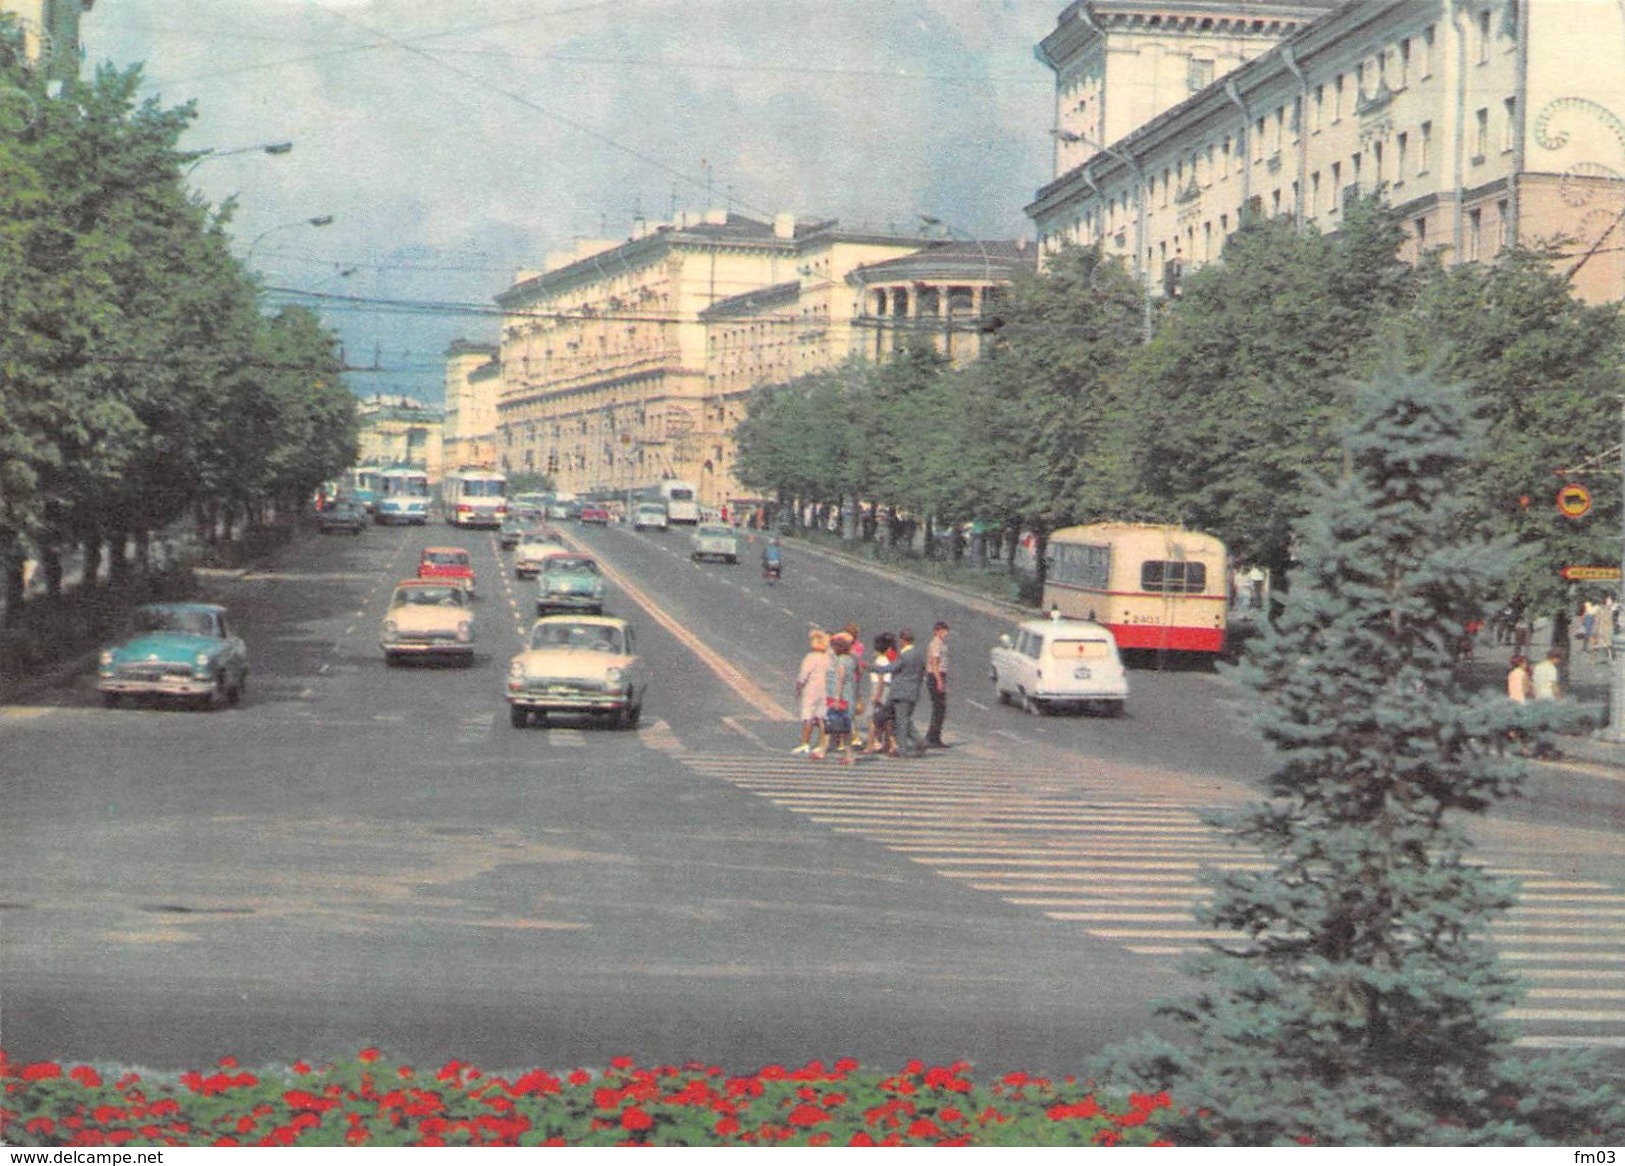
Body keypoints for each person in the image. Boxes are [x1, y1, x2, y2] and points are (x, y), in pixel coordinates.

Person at [870, 627, 927, 757]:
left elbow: (892, 668)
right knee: (904, 719)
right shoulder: (919, 654)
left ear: (902, 640)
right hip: (912, 692)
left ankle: (902, 748)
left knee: (900, 720)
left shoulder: (905, 655)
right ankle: (919, 741)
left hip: (900, 693)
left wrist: (872, 668)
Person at [824, 632, 861, 766]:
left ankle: (850, 757)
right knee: (847, 729)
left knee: (842, 727)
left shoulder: (840, 661)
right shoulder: (852, 660)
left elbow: (840, 680)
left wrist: (837, 699)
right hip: (850, 695)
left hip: (843, 698)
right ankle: (849, 756)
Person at [793, 629, 830, 755]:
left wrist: (798, 688)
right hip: (826, 690)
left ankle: (805, 743)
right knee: (822, 718)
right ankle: (822, 743)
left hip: (811, 690)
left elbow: (803, 675)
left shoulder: (810, 657)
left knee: (808, 717)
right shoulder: (828, 658)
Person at [864, 632, 898, 756]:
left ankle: (873, 744)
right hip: (887, 690)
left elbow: (881, 679)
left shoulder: (879, 661)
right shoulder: (886, 659)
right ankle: (887, 744)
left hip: (880, 689)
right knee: (886, 719)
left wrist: (876, 695)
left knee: (871, 717)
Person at [924, 620, 950, 747]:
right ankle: (932, 737)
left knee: (939, 708)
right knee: (939, 707)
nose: (945, 633)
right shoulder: (936, 644)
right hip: (935, 676)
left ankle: (934, 736)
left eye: (946, 631)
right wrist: (939, 681)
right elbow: (934, 662)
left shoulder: (941, 643)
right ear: (936, 631)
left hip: (938, 675)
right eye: (943, 631)